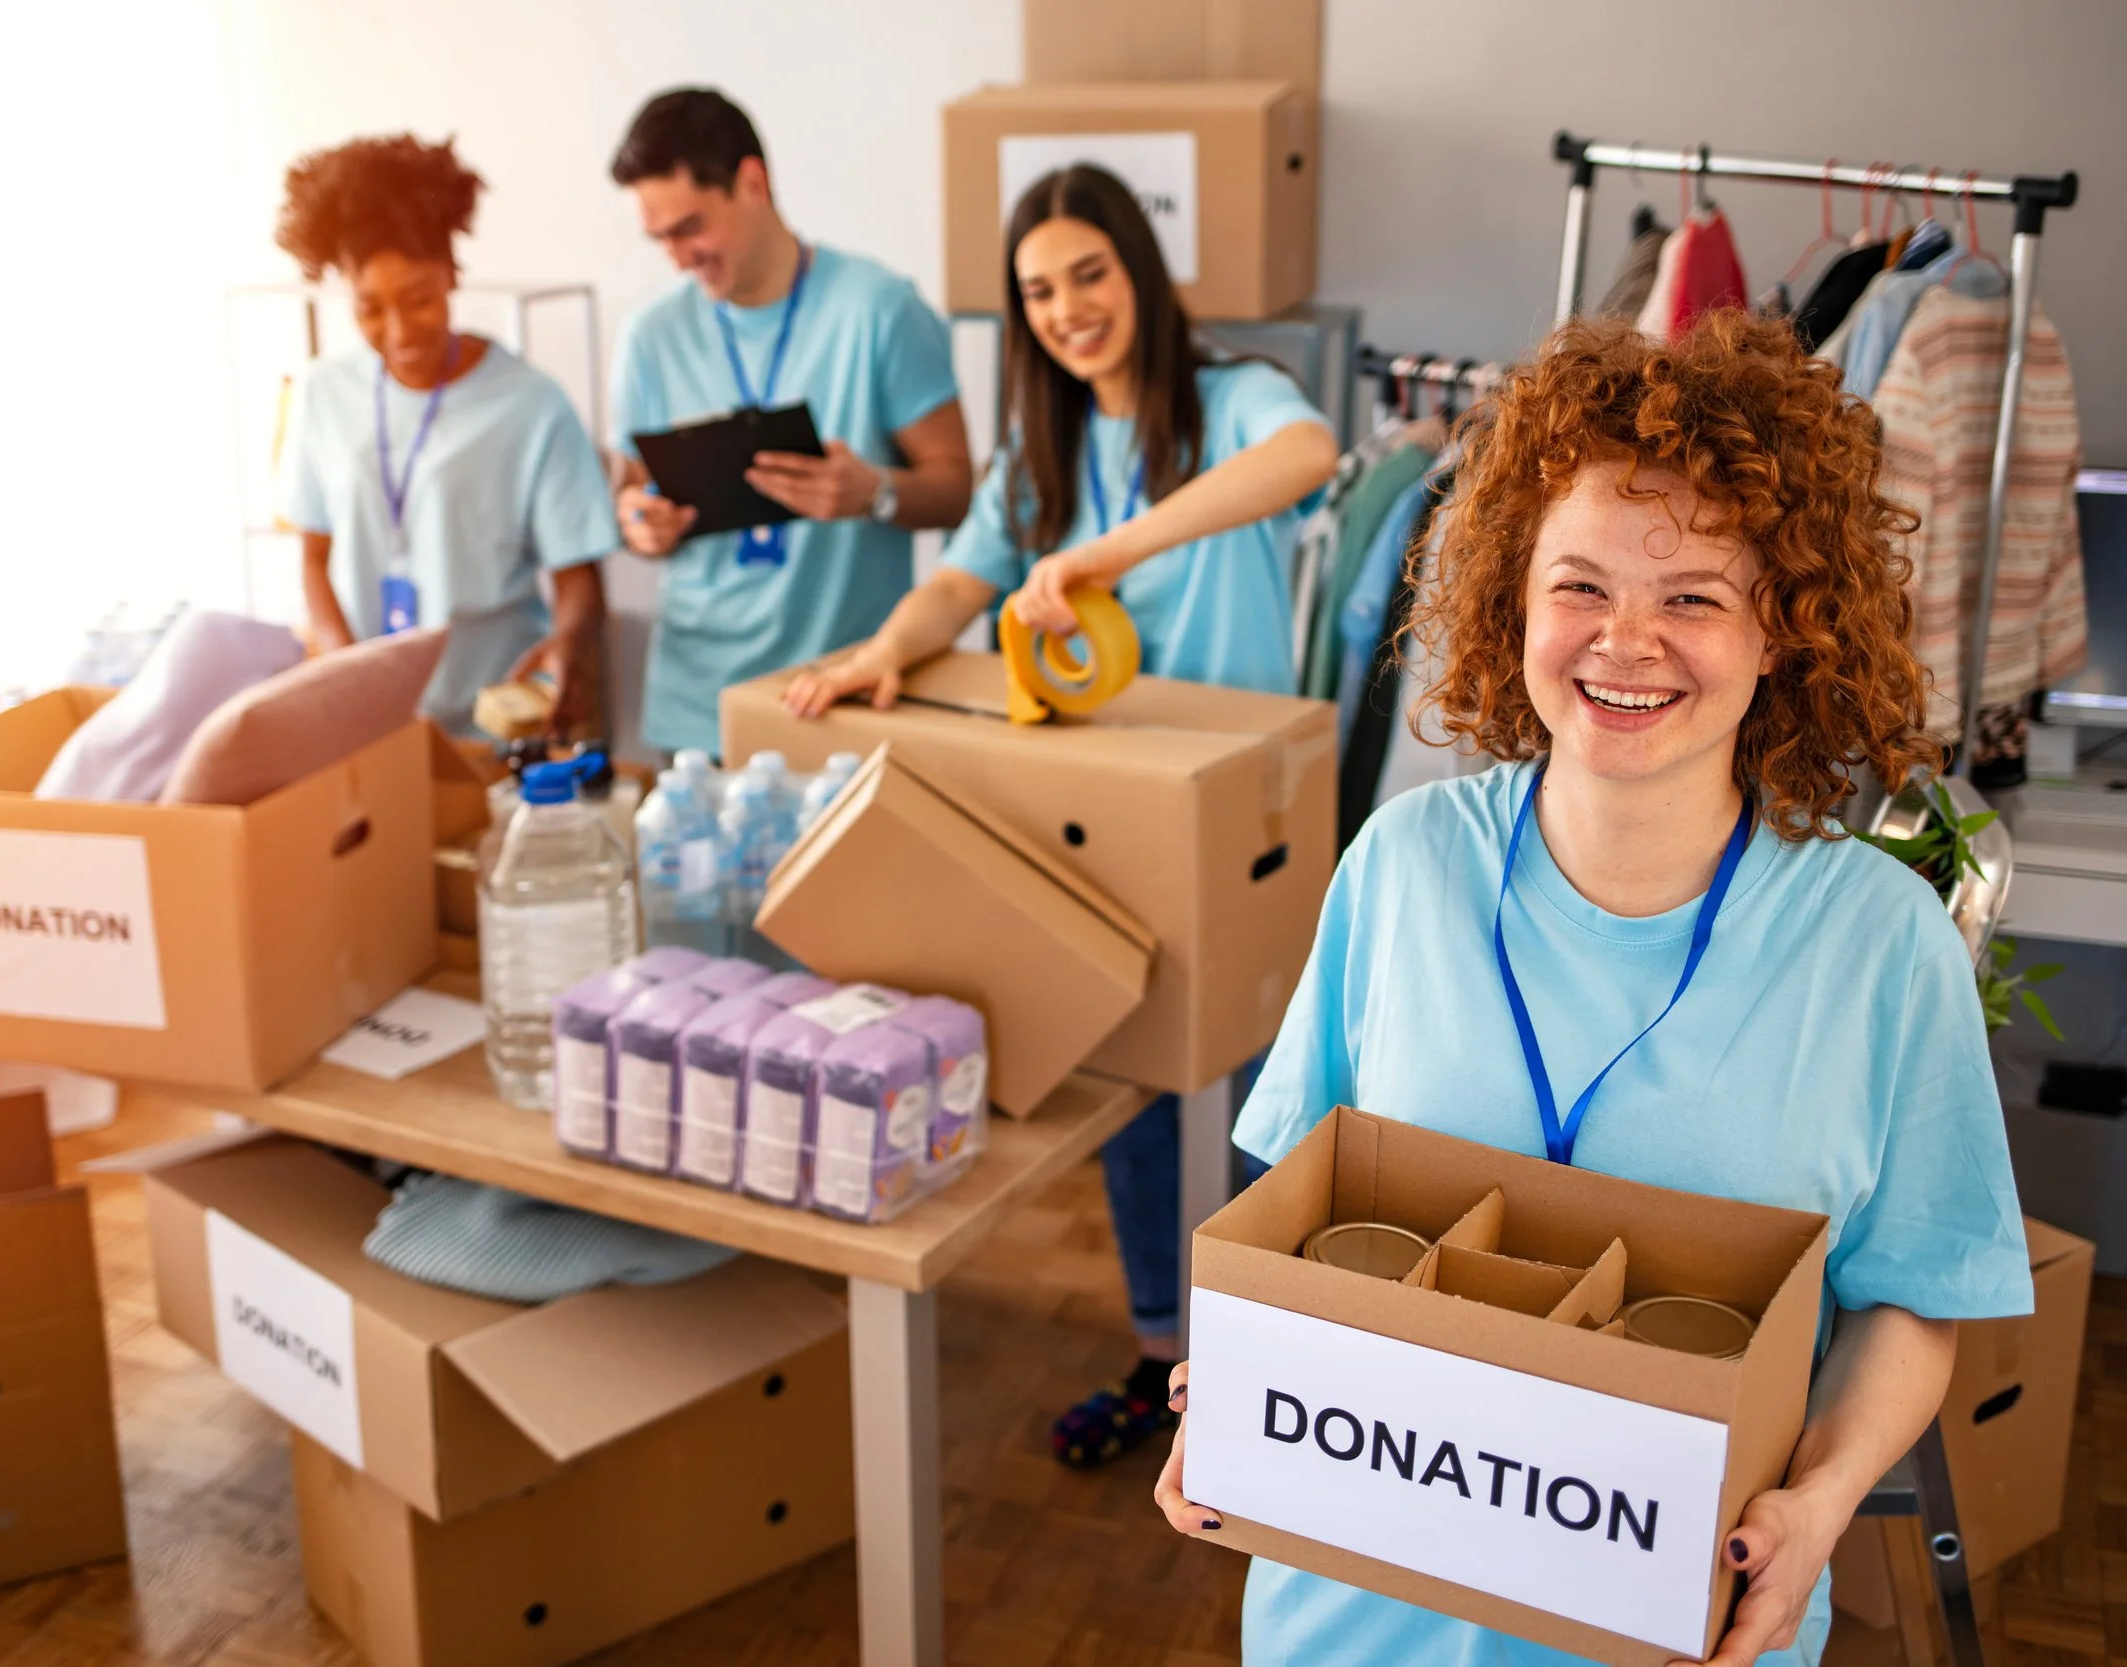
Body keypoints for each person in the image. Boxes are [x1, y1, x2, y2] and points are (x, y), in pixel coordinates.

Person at [1152, 311, 2033, 1667]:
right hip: (1353, 1617)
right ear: (1513, 596)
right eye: (1581, 586)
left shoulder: (1877, 945)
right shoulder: (1402, 866)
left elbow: (1916, 1298)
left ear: (1785, 632)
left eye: (1694, 597)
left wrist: (1824, 1497)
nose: (1626, 641)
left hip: (1672, 1625)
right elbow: (1289, 1218)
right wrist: (1229, 1388)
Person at [786, 164, 1339, 1467]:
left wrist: (1113, 548)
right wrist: (886, 647)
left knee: (1261, 1100)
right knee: (1141, 1092)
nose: (1068, 308)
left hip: (1237, 822)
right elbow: (959, 582)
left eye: (1089, 273)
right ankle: (1170, 1361)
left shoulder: (1235, 397)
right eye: (1038, 290)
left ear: (1139, 270)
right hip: (1098, 815)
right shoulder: (1037, 447)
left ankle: (1278, 1390)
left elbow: (1310, 455)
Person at [607, 88, 974, 756]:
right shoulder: (648, 338)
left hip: (842, 695)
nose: (677, 258)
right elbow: (628, 496)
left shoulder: (879, 311)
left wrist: (874, 493)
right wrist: (638, 522)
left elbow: (958, 491)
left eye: (690, 228)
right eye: (658, 238)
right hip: (698, 710)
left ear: (752, 182)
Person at [276, 133, 616, 740]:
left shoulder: (532, 405)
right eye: (370, 308)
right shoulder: (322, 394)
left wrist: (568, 644)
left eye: (419, 299)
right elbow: (312, 555)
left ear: (452, 274)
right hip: (370, 722)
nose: (400, 330)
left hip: (493, 719)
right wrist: (343, 666)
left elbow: (578, 579)